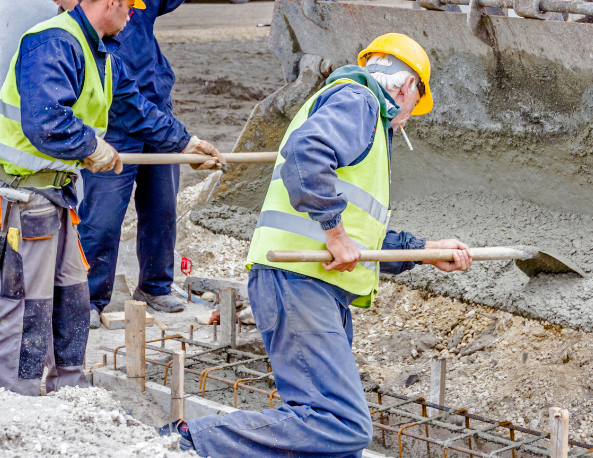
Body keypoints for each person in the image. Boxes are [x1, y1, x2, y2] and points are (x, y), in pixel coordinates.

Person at [161, 34, 473, 457]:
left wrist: (426, 250)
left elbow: (365, 238)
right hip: (298, 283)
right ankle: (193, 443)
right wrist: (335, 232)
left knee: (333, 438)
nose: (409, 118)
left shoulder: (360, 114)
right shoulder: (359, 101)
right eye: (417, 103)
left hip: (312, 286)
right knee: (343, 425)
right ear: (405, 88)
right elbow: (306, 158)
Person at [0, 0, 224, 396]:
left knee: (73, 296)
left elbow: (137, 108)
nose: (132, 17)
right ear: (112, 1)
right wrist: (94, 148)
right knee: (24, 308)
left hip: (55, 196)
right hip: (20, 197)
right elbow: (46, 120)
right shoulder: (53, 42)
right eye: (130, 7)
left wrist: (186, 144)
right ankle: (10, 400)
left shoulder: (102, 56)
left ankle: (68, 389)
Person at [40, 0, 251, 325]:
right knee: (101, 218)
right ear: (57, 0)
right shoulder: (69, 41)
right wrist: (185, 142)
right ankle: (91, 299)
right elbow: (124, 103)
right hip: (114, 134)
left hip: (159, 124)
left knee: (160, 209)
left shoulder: (129, 1)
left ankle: (155, 285)